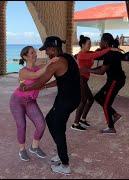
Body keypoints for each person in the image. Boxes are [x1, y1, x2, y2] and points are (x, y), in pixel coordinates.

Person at [20, 36, 81, 175]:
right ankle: (61, 151)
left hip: (66, 100)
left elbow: (41, 79)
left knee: (57, 128)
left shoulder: (57, 63)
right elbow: (61, 79)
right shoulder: (69, 57)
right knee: (50, 120)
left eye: (46, 50)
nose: (46, 53)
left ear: (53, 48)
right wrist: (46, 86)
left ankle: (65, 165)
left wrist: (27, 88)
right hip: (71, 98)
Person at [10, 46, 58, 161]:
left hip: (31, 101)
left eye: (35, 52)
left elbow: (48, 68)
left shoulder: (37, 68)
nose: (35, 54)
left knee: (41, 124)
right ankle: (22, 150)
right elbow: (36, 75)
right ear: (25, 56)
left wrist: (56, 60)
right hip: (17, 101)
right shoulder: (23, 72)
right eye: (32, 53)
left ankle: (34, 147)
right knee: (22, 125)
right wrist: (49, 63)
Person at [71, 35, 123, 131]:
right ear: (82, 45)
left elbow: (96, 53)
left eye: (91, 43)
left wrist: (110, 49)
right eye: (88, 44)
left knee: (90, 100)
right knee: (83, 101)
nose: (90, 45)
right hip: (80, 79)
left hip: (85, 79)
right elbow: (94, 55)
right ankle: (75, 123)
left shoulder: (87, 53)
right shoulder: (82, 54)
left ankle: (83, 119)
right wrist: (110, 48)